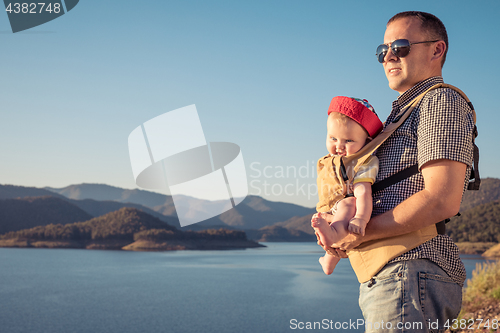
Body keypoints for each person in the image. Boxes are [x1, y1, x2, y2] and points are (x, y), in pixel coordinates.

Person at [316, 11, 475, 333]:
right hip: (396, 272)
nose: (388, 56)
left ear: (436, 49)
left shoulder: (440, 101)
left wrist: (353, 233)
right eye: (382, 50)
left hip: (410, 267)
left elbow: (441, 200)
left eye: (400, 47)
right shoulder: (403, 113)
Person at [312, 96, 383, 275]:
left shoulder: (363, 163)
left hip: (347, 208)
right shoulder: (329, 161)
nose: (339, 146)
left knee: (349, 203)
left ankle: (332, 236)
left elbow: (363, 193)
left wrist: (360, 218)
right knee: (334, 215)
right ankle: (328, 262)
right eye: (333, 138)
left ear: (366, 141)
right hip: (330, 209)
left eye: (349, 141)